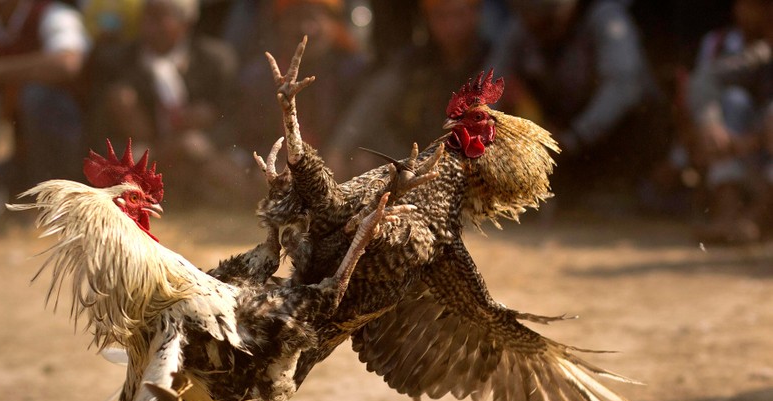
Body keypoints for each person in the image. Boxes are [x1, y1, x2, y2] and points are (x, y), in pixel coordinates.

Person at [490, 0, 671, 214]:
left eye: (545, 19)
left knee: (640, 110)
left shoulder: (604, 17)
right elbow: (490, 82)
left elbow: (622, 90)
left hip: (610, 130)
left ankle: (624, 189)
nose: (534, 25)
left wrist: (574, 137)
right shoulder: (523, 25)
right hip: (561, 126)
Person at [84, 0, 243, 207]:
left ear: (185, 22)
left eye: (159, 19)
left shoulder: (216, 61)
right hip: (143, 154)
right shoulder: (116, 62)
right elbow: (97, 128)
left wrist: (207, 136)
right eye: (146, 18)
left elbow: (236, 119)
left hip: (199, 154)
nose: (149, 27)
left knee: (227, 171)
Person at [0, 0, 90, 237]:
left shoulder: (52, 14)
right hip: (26, 157)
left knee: (38, 96)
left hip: (86, 151)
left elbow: (68, 64)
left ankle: (57, 201)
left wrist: (1, 71)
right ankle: (35, 194)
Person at [324, 0, 494, 179]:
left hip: (469, 161)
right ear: (428, 19)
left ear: (476, 14)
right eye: (442, 16)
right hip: (412, 152)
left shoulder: (494, 59)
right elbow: (371, 103)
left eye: (458, 14)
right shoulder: (411, 62)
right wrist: (338, 149)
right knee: (362, 161)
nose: (451, 24)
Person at [234, 0, 370, 182]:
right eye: (295, 18)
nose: (306, 28)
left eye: (314, 18)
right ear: (279, 24)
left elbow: (368, 129)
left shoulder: (358, 74)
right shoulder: (256, 78)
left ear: (333, 24)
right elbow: (243, 136)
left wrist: (341, 153)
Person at [686, 0, 773, 243]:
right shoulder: (763, 53)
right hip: (754, 160)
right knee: (733, 101)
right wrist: (710, 123)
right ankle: (728, 214)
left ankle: (756, 219)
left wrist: (754, 140)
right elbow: (705, 79)